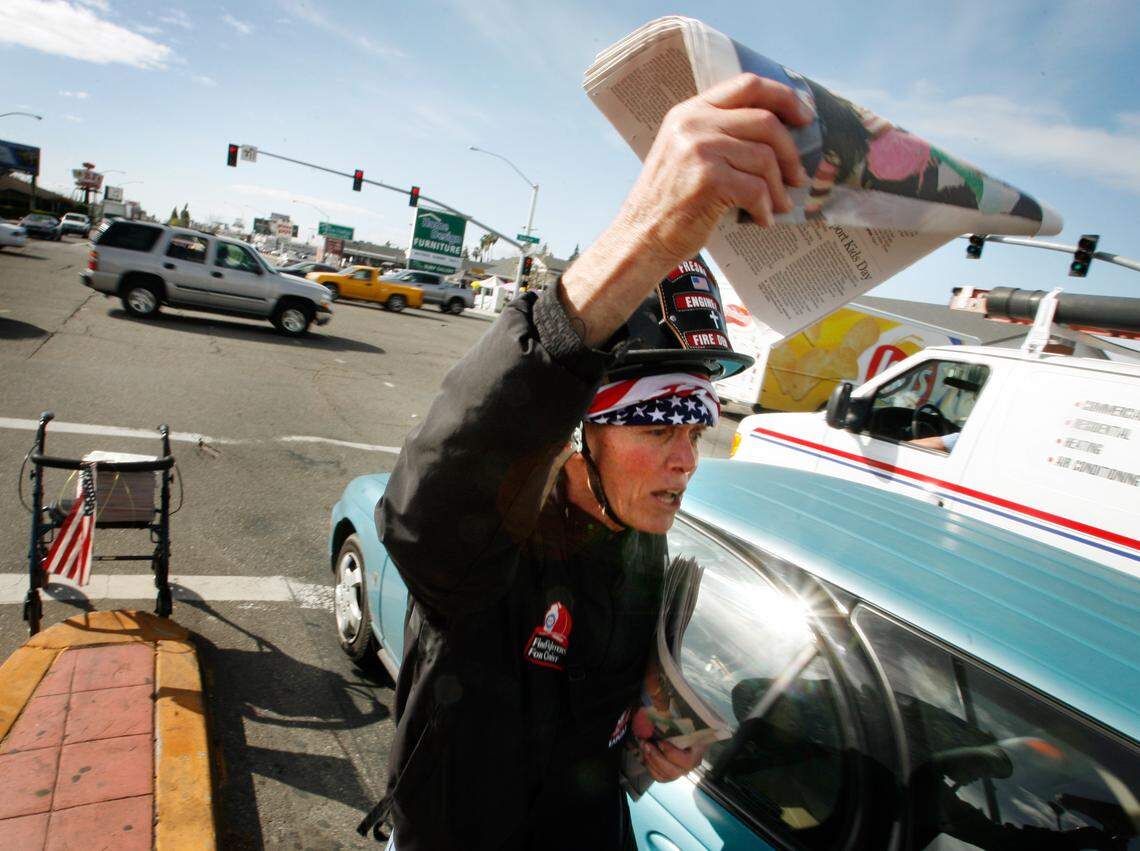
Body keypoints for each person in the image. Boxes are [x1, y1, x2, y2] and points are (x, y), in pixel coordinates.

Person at [359, 73, 813, 850]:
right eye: (659, 427)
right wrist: (644, 236)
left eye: (698, 427)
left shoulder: (641, 543)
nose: (686, 461)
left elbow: (588, 715)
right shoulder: (484, 548)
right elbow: (434, 488)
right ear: (576, 431)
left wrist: (644, 740)